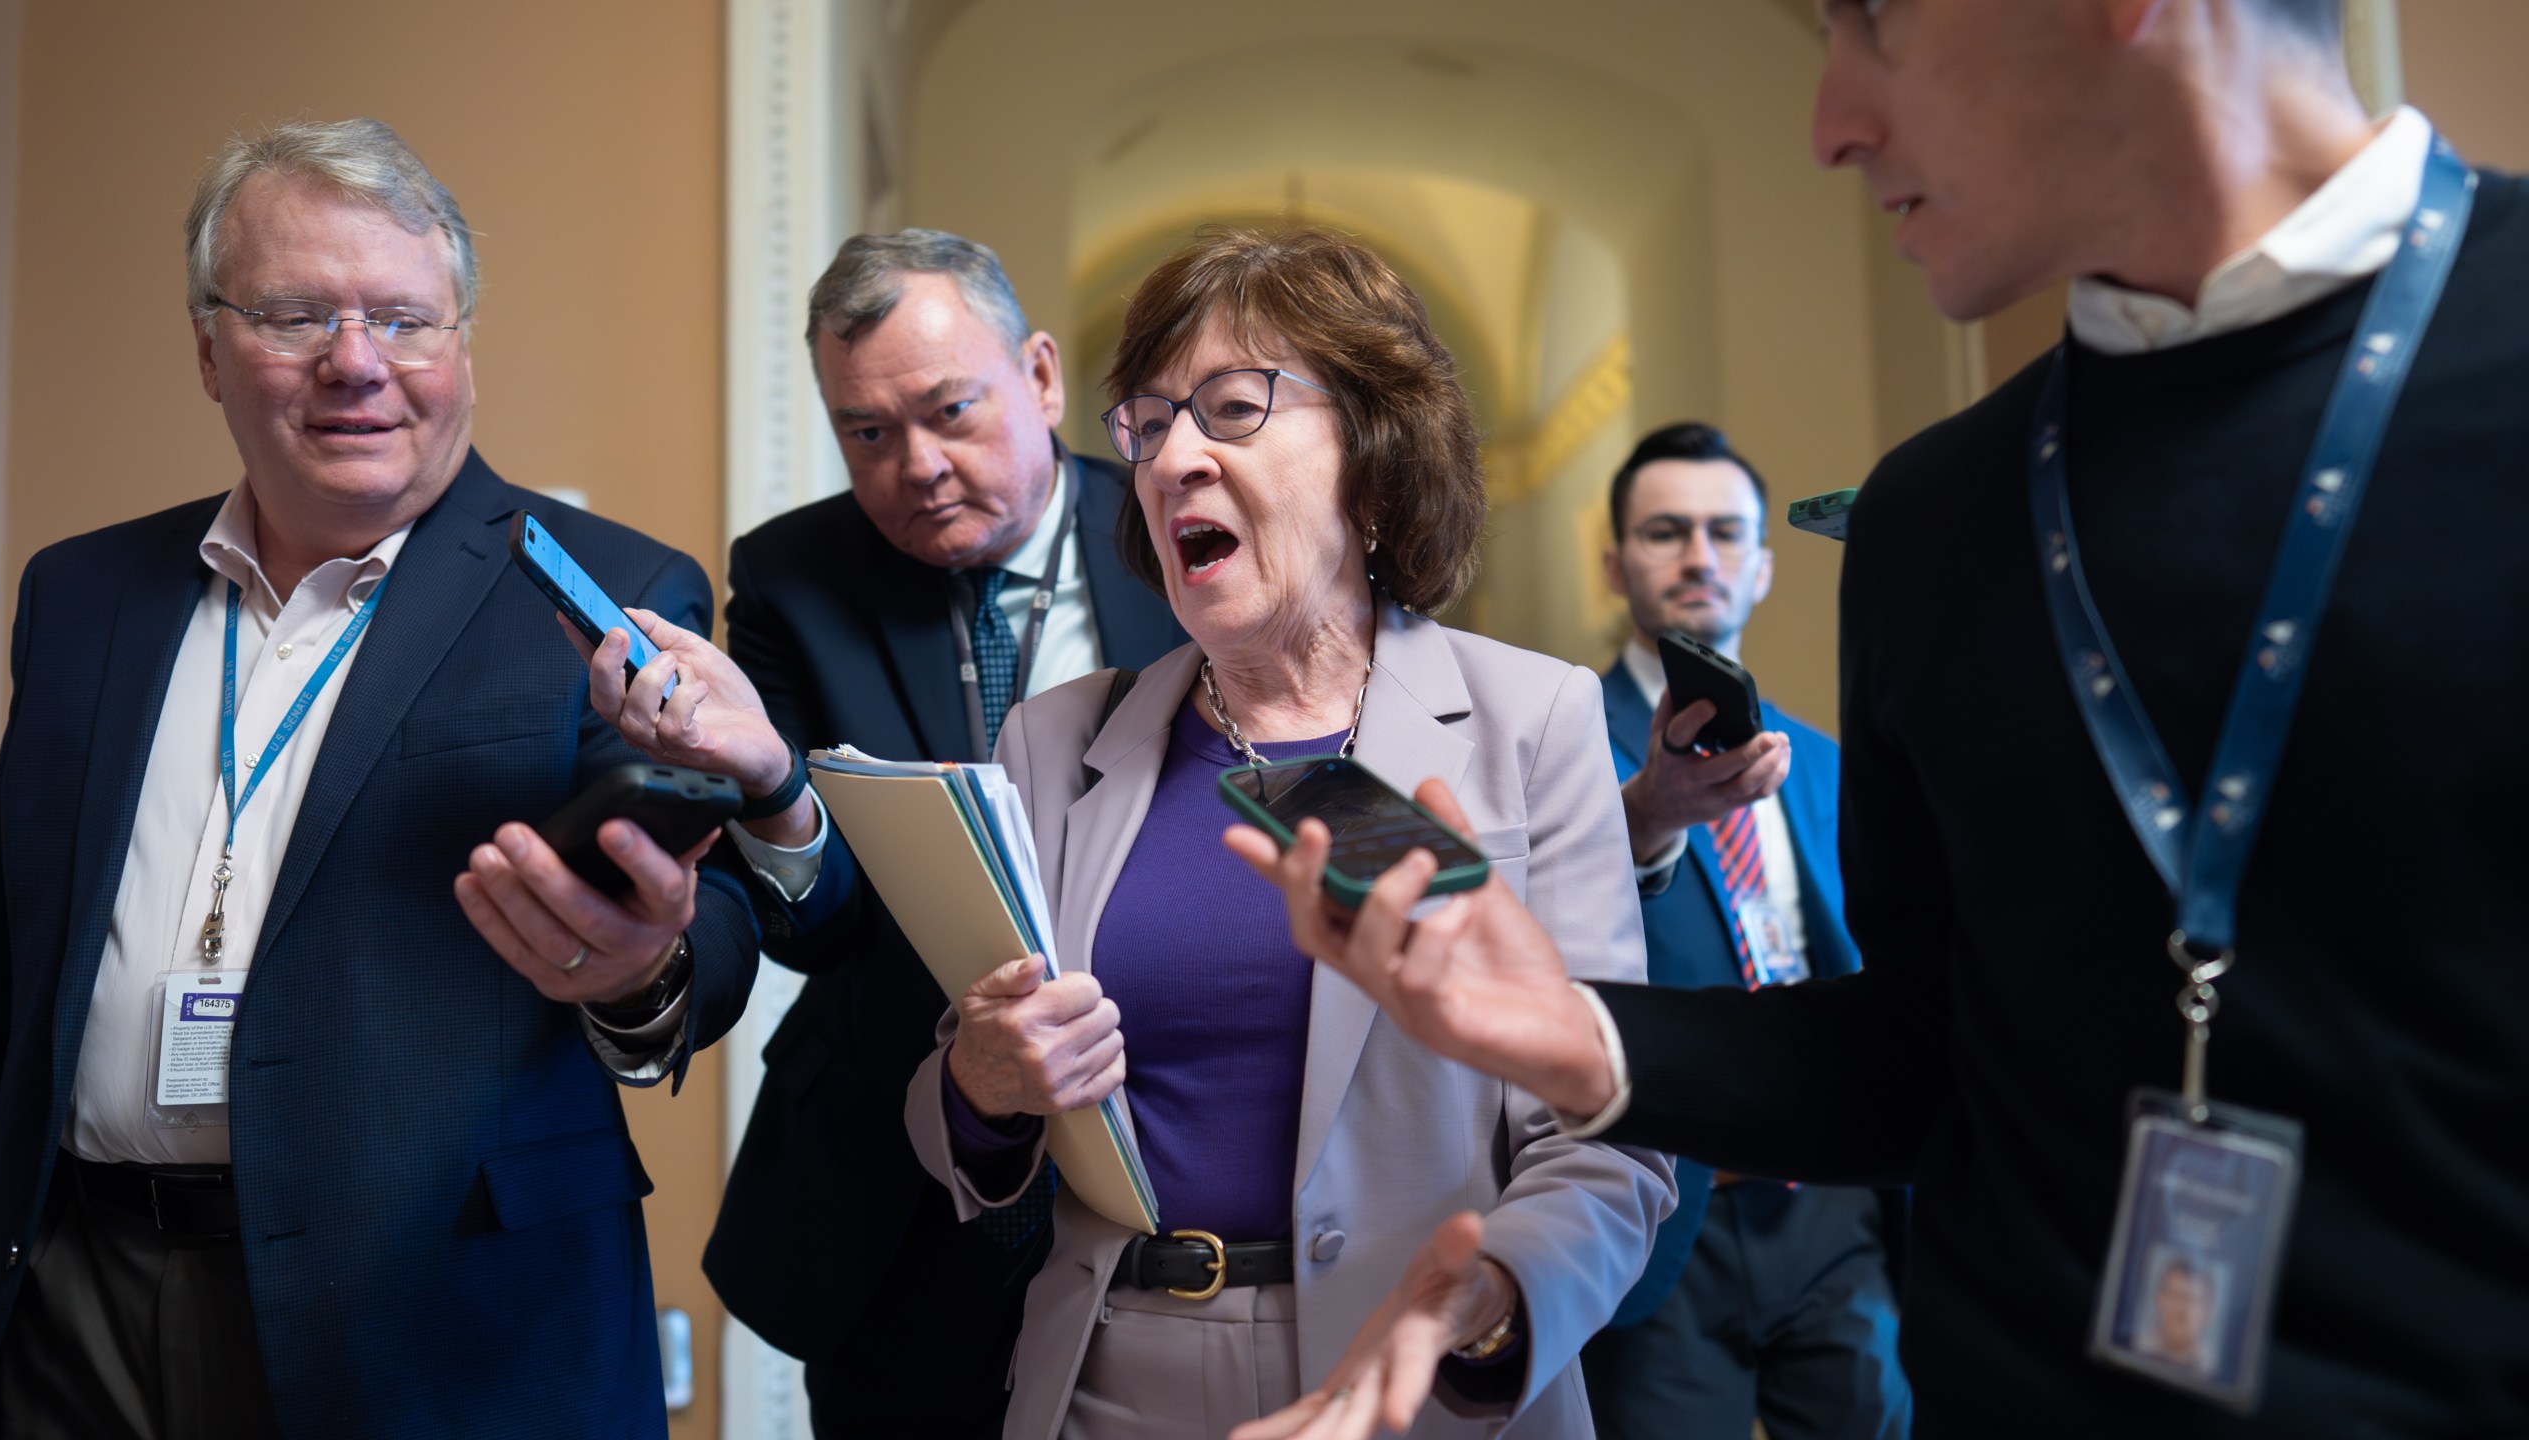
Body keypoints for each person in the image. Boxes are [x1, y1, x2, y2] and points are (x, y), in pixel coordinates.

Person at [1231, 1, 2529, 1434]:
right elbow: (1928, 1057)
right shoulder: (1936, 516)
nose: (1828, 120)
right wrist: (1587, 1038)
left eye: (1871, 24)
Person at [0, 118, 763, 1438]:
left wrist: (639, 971)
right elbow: (6, 955)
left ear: (462, 348)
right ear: (208, 346)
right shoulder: (80, 595)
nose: (356, 364)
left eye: (403, 320)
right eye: (295, 315)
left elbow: (719, 927)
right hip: (70, 1304)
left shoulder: (605, 591)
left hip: (432, 1333)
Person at [897, 227, 1673, 1440]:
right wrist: (981, 1087)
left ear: (1372, 455)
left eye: (1231, 408)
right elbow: (961, 1106)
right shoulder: (1052, 744)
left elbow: (1610, 1140)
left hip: (1419, 1393)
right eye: (1147, 426)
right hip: (1106, 1387)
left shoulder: (1532, 723)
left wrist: (1483, 1303)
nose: (1170, 463)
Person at [583, 229, 1186, 1438]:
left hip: (1161, 1152)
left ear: (1044, 378)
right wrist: (767, 781)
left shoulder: (1178, 537)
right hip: (895, 1200)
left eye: (950, 411)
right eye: (866, 433)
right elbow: (818, 924)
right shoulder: (796, 580)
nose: (915, 465)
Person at [1579, 423, 1909, 1440]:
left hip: (1831, 1203)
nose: (1697, 556)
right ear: (1613, 563)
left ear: (1763, 565)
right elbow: (1549, 947)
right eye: (1665, 532)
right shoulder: (1558, 741)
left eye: (1725, 533)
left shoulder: (1821, 762)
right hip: (1670, 1202)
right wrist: (1646, 818)